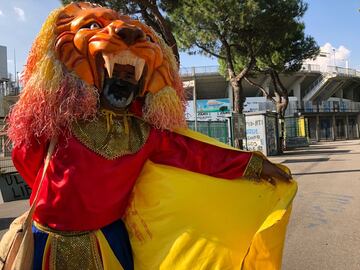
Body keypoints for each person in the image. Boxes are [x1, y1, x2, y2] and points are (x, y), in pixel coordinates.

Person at [7, 2, 294, 269]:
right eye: (119, 73)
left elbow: (198, 155)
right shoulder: (61, 121)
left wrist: (255, 165)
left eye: (131, 75)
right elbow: (26, 158)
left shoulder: (147, 135)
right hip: (45, 242)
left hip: (109, 244)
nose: (124, 79)